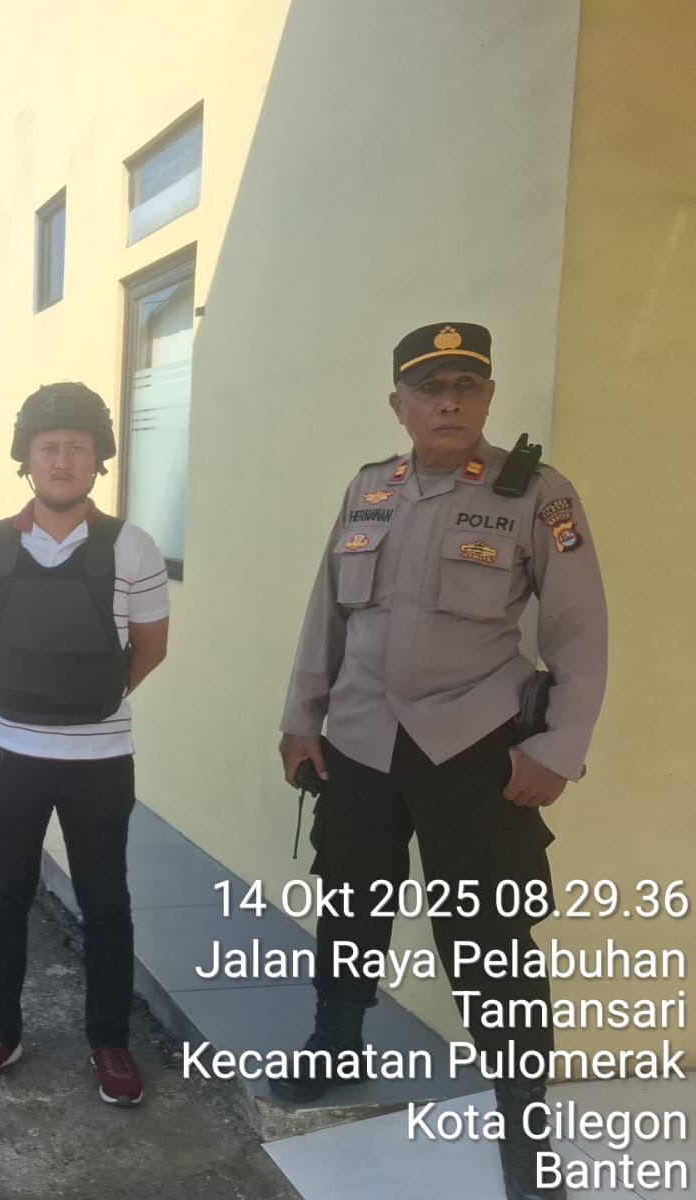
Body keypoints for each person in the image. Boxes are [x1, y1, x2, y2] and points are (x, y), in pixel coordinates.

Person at [275, 323, 608, 1200]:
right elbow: (325, 615)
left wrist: (558, 748)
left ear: (488, 397)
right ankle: (335, 1044)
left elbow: (579, 631)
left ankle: (524, 1129)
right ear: (400, 405)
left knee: (491, 941)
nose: (448, 402)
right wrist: (300, 718)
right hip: (358, 742)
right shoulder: (367, 489)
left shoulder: (537, 494)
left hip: (474, 748)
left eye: (465, 385)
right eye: (429, 389)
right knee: (348, 907)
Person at [0, 382, 171, 1106]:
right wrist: (25, 702)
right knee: (3, 897)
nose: (62, 459)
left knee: (106, 903)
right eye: (48, 446)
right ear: (27, 458)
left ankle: (109, 1041)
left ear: (97, 458)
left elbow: (151, 648)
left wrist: (90, 701)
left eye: (78, 446)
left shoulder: (133, 547)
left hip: (99, 761)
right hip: (11, 756)